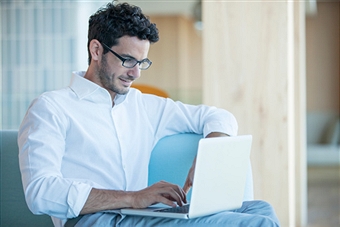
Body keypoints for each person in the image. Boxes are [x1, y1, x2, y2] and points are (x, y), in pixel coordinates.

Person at [18, 1, 280, 227]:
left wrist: (209, 148)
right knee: (257, 223)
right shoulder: (51, 107)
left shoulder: (142, 105)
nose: (136, 73)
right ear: (96, 50)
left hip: (138, 216)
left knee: (260, 210)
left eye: (142, 62)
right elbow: (40, 192)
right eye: (128, 60)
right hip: (94, 220)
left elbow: (218, 116)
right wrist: (133, 197)